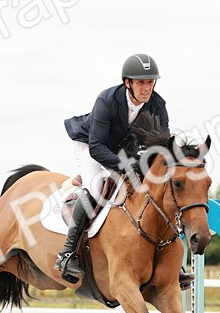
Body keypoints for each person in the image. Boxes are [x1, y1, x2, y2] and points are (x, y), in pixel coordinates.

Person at [56, 53, 169, 282]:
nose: (147, 88)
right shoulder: (107, 100)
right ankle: (67, 253)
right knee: (96, 186)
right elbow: (97, 148)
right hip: (90, 145)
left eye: (150, 82)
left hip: (120, 149)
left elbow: (161, 147)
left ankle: (167, 259)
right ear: (128, 82)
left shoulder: (157, 105)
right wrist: (127, 166)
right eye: (141, 82)